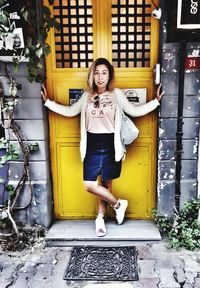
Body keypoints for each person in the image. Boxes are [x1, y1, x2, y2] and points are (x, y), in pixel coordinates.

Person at [41, 58, 164, 237]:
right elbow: (70, 111)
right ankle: (118, 205)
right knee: (90, 184)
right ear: (92, 75)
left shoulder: (117, 95)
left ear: (109, 76)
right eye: (97, 73)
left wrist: (155, 102)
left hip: (110, 144)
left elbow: (135, 111)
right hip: (91, 144)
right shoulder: (86, 97)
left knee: (106, 183)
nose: (100, 77)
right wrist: (48, 102)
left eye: (104, 73)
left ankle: (100, 219)